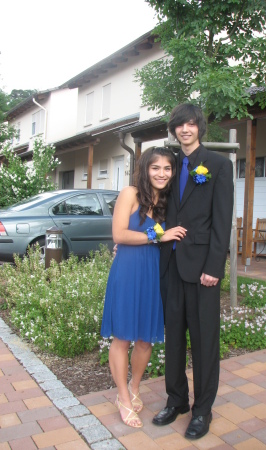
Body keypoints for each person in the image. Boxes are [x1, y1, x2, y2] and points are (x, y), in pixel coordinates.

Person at [152, 104, 234, 439]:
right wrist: (137, 237)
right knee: (173, 339)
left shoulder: (218, 165)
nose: (185, 129)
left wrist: (215, 266)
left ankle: (202, 411)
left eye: (190, 123)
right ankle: (177, 400)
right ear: (173, 129)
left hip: (202, 270)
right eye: (179, 125)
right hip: (170, 264)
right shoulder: (168, 165)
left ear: (199, 126)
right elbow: (153, 208)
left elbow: (222, 220)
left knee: (203, 343)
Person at [101, 147, 186, 428]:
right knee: (123, 336)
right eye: (155, 167)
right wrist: (158, 234)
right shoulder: (130, 194)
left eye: (167, 168)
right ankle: (123, 396)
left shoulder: (168, 200)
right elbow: (119, 234)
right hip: (128, 270)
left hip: (153, 272)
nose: (161, 173)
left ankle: (135, 386)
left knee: (146, 338)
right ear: (144, 169)